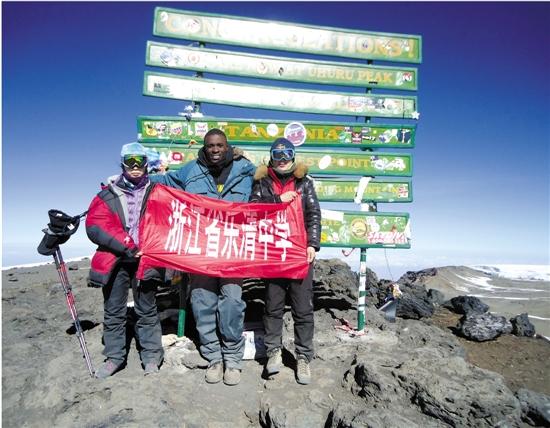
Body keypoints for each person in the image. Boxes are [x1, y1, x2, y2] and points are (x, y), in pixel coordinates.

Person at [150, 128, 255, 386]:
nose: (215, 149)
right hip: (200, 250)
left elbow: (270, 185)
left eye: (220, 145)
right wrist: (136, 177)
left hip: (232, 250)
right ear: (205, 147)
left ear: (227, 146)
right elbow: (162, 183)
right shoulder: (190, 170)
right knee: (202, 302)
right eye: (210, 145)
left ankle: (232, 358)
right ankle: (213, 357)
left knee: (232, 303)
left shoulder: (246, 170)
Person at [86, 143, 164, 379]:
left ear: (147, 164)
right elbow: (96, 225)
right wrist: (129, 245)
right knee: (113, 310)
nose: (135, 166)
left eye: (140, 161)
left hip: (146, 259)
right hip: (116, 259)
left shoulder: (159, 191)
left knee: (147, 309)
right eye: (130, 161)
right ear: (122, 164)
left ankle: (151, 357)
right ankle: (115, 357)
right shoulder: (106, 195)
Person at [249, 137, 321, 385]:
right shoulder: (261, 182)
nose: (282, 160)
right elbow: (253, 208)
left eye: (286, 154)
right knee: (273, 306)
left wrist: (312, 244)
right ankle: (273, 352)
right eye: (277, 155)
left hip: (299, 253)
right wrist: (277, 201)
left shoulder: (305, 182)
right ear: (271, 158)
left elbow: (313, 214)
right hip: (273, 252)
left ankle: (303, 357)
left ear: (293, 156)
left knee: (303, 308)